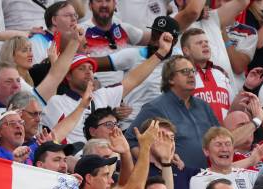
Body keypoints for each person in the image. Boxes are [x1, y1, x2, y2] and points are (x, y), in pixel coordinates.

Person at [127, 55, 261, 169]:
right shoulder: (155, 107)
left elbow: (223, 139)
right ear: (170, 79)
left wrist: (256, 121)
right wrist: (154, 163)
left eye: (192, 71)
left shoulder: (203, 106)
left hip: (205, 179)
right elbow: (131, 139)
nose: (191, 75)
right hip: (174, 180)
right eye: (185, 71)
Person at [43, 35, 172, 144]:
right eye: (81, 69)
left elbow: (133, 79)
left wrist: (161, 53)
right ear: (68, 76)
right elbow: (55, 139)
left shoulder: (103, 95)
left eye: (91, 69)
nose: (88, 72)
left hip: (109, 156)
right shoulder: (56, 101)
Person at [188, 127, 258, 189]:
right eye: (218, 144)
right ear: (206, 151)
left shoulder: (248, 175)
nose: (224, 149)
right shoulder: (195, 181)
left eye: (228, 144)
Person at [181, 28, 233, 122]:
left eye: (206, 42)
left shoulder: (221, 74)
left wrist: (247, 87)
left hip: (226, 134)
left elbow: (232, 107)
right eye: (199, 43)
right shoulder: (180, 77)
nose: (205, 45)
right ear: (186, 50)